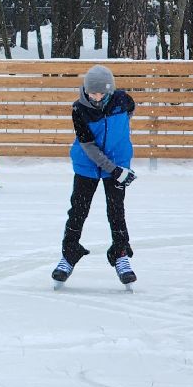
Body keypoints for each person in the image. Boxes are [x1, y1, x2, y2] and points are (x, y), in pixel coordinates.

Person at [52, 64, 138, 286]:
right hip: (88, 165)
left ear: (110, 91)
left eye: (101, 93)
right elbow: (89, 146)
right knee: (79, 210)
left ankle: (120, 255)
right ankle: (69, 254)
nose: (96, 97)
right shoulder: (79, 109)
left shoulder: (123, 101)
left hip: (118, 161)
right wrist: (114, 170)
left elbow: (128, 116)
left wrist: (119, 162)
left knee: (116, 210)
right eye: (92, 93)